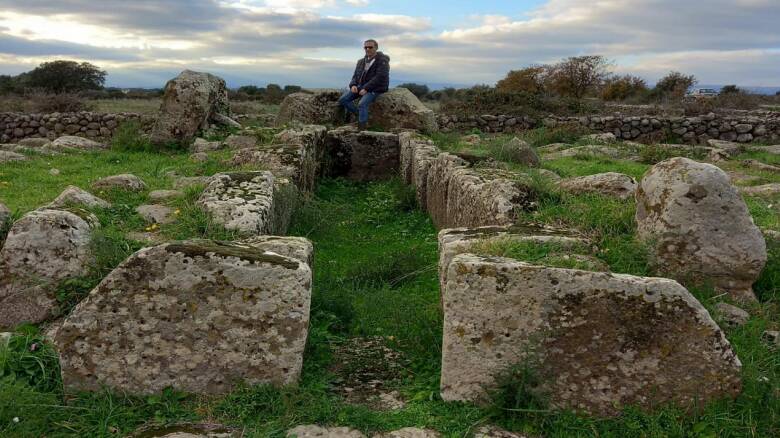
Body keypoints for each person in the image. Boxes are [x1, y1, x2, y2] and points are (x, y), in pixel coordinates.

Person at [338, 39, 390, 130]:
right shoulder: (361, 61)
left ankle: (362, 128)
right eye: (365, 47)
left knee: (362, 104)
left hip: (376, 88)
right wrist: (353, 85)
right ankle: (360, 115)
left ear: (376, 48)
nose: (367, 49)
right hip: (361, 87)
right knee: (343, 100)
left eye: (370, 47)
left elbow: (380, 77)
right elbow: (355, 75)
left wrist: (366, 88)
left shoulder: (382, 61)